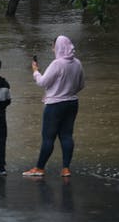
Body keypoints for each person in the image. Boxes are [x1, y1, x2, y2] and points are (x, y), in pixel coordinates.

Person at [23, 35, 85, 178]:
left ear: (58, 48)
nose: (52, 49)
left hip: (55, 105)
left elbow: (43, 83)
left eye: (53, 46)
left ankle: (39, 168)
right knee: (67, 136)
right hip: (72, 103)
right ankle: (66, 169)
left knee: (48, 137)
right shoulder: (77, 63)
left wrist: (35, 71)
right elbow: (81, 85)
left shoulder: (57, 64)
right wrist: (68, 92)